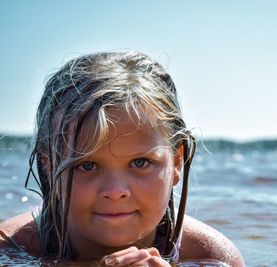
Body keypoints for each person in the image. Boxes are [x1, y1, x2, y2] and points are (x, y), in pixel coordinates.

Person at [0, 51, 245, 266]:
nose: (115, 191)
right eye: (87, 165)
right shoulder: (10, 249)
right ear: (49, 166)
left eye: (140, 162)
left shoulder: (209, 256)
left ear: (177, 161)